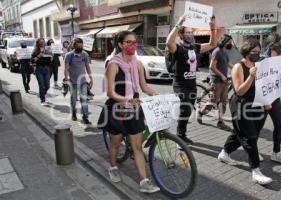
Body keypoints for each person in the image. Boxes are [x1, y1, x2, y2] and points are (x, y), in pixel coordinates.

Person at [98, 31, 160, 193]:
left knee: (137, 146)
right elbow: (110, 92)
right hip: (117, 108)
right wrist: (126, 100)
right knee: (115, 143)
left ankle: (144, 182)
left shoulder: (137, 64)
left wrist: (154, 94)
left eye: (134, 41)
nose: (133, 45)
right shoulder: (113, 64)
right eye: (128, 42)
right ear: (120, 44)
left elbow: (144, 86)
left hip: (134, 107)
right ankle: (113, 167)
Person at [218, 39, 273, 185]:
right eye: (254, 52)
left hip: (256, 104)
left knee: (240, 133)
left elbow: (261, 86)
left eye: (259, 52)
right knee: (250, 137)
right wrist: (251, 76)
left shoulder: (258, 65)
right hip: (241, 105)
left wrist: (266, 101)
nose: (257, 54)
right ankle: (256, 171)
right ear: (246, 52)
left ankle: (224, 153)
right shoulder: (238, 66)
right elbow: (240, 91)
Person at [166, 15, 217, 144]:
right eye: (187, 32)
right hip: (180, 85)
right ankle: (180, 136)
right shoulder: (178, 48)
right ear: (180, 34)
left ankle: (181, 134)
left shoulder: (195, 47)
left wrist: (212, 28)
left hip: (192, 85)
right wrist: (178, 23)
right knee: (186, 109)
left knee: (187, 111)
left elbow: (213, 44)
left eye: (191, 32)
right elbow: (168, 43)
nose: (190, 35)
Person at [261, 33, 281, 164]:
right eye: (277, 45)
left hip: (275, 97)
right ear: (270, 46)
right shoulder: (261, 60)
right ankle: (253, 150)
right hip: (262, 99)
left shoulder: (280, 59)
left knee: (279, 124)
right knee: (257, 127)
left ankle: (276, 152)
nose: (280, 48)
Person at [198, 34, 234, 130]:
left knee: (224, 102)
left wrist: (236, 69)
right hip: (216, 81)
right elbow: (211, 66)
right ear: (224, 42)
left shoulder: (225, 52)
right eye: (229, 42)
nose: (231, 43)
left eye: (231, 42)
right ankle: (201, 112)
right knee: (212, 102)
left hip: (224, 81)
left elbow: (228, 64)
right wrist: (222, 76)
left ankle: (220, 121)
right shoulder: (217, 51)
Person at [64, 38, 93, 125]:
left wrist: (91, 78)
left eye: (81, 45)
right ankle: (73, 113)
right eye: (78, 45)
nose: (80, 47)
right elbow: (66, 68)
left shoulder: (85, 54)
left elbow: (87, 66)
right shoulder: (69, 55)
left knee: (84, 100)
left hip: (83, 82)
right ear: (74, 45)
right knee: (73, 100)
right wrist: (66, 79)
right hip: (72, 82)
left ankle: (85, 117)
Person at [31, 38, 52, 106]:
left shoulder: (48, 49)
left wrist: (51, 58)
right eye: (41, 42)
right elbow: (32, 60)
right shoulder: (35, 50)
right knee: (41, 85)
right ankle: (42, 100)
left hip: (46, 69)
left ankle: (42, 94)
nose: (42, 43)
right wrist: (38, 56)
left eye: (43, 42)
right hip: (39, 69)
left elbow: (49, 61)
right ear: (38, 43)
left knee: (47, 86)